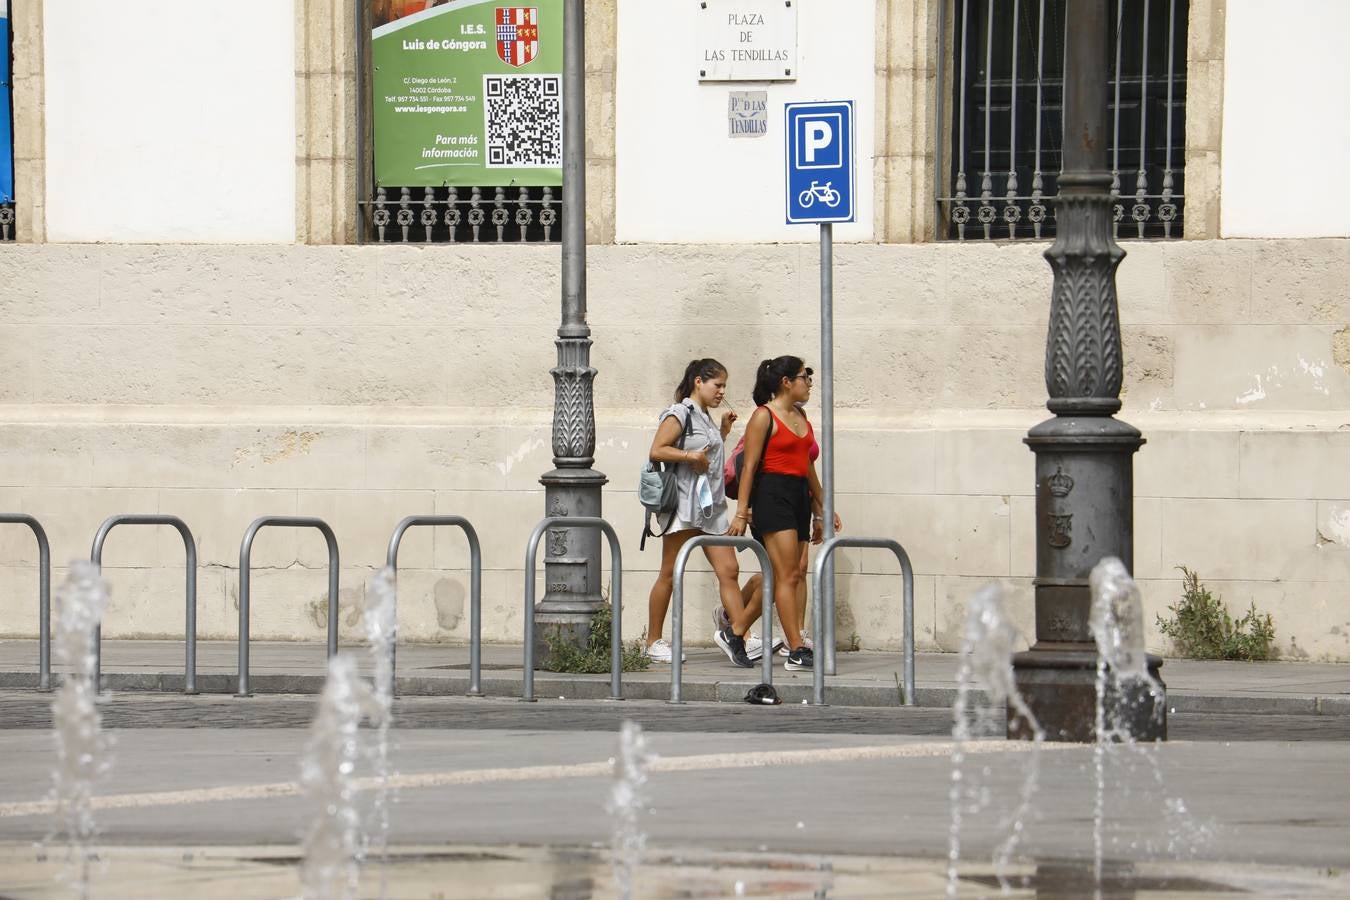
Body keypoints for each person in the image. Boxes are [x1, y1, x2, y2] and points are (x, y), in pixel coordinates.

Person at [727, 356, 842, 671]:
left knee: (786, 574)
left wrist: (822, 508)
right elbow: (749, 467)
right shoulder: (764, 416)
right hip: (771, 495)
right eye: (805, 377)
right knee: (789, 574)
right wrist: (741, 512)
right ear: (786, 382)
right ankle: (796, 647)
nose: (809, 384)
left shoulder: (800, 415)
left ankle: (735, 631)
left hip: (797, 495)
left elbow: (807, 468)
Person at [643, 358, 758, 666]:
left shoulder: (706, 417)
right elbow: (657, 449)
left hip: (711, 508)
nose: (722, 392)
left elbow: (707, 453)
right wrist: (688, 455)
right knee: (669, 572)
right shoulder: (680, 412)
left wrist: (722, 431)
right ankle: (652, 640)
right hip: (684, 506)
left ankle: (740, 636)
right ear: (698, 382)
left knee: (729, 570)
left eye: (724, 386)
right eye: (717, 385)